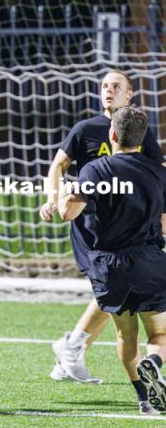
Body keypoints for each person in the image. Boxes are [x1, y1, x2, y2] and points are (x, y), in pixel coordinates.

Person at [40, 70, 164, 383]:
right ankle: (74, 346)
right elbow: (58, 165)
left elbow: (156, 168)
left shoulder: (138, 131)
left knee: (114, 285)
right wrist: (53, 199)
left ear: (130, 94)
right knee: (114, 284)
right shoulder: (86, 129)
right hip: (91, 227)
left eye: (116, 86)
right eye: (104, 86)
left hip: (123, 225)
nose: (108, 91)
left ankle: (72, 348)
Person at [58, 105, 166, 415]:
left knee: (125, 335)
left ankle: (145, 400)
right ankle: (154, 362)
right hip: (148, 260)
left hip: (108, 265)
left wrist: (66, 194)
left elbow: (69, 213)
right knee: (159, 334)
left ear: (112, 134)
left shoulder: (95, 170)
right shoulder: (158, 173)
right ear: (143, 139)